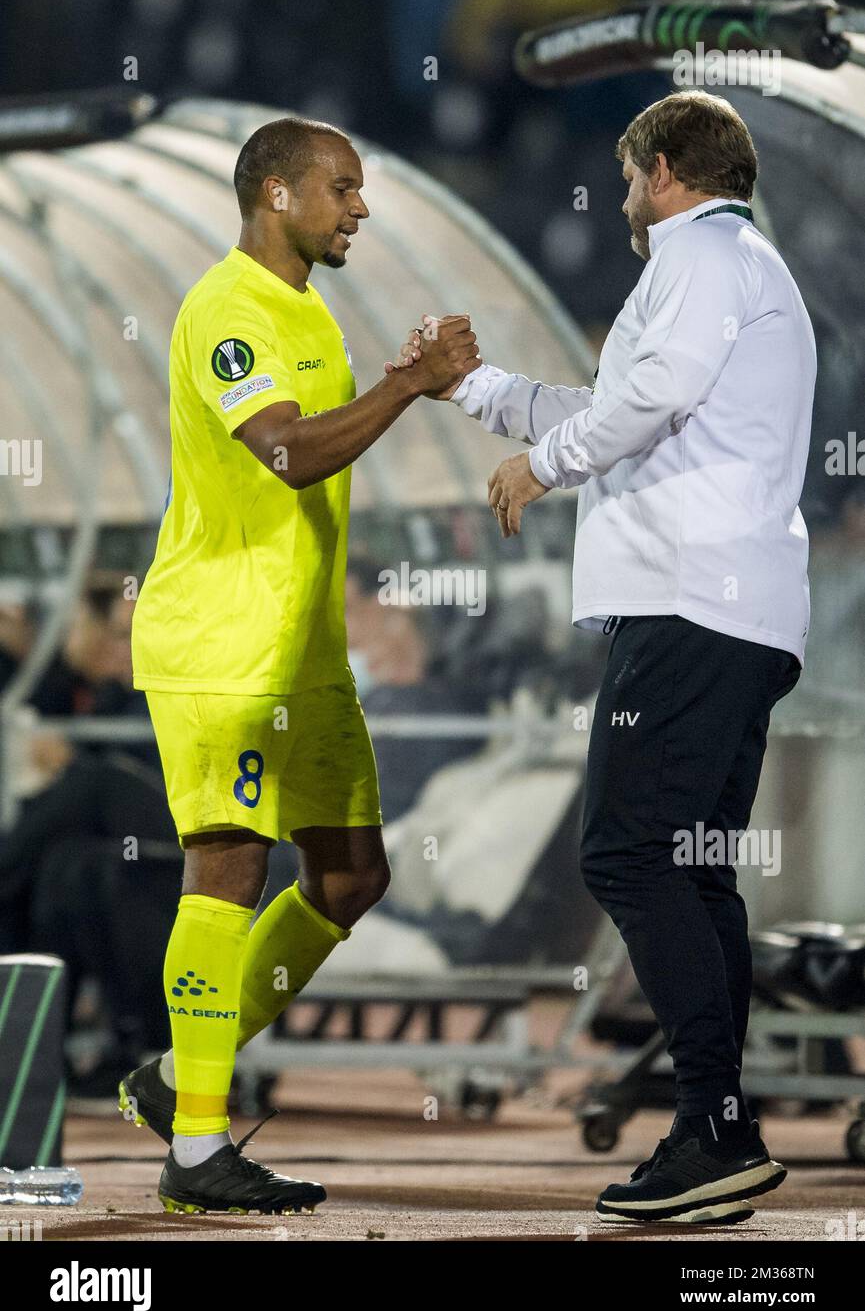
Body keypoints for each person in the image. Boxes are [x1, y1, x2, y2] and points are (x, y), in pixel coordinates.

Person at [391, 91, 815, 1225]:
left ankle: (712, 1125)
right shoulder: (734, 265)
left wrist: (542, 469)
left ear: (667, 168)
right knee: (687, 867)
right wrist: (473, 391)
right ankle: (718, 1128)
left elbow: (649, 400)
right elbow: (626, 403)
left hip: (690, 605)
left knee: (626, 855)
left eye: (630, 178)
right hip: (730, 610)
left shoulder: (701, 256)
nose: (623, 200)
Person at [124, 114, 480, 1216]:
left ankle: (182, 1071)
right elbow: (284, 452)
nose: (359, 207)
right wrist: (408, 386)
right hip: (222, 646)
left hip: (301, 656)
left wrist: (397, 385)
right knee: (226, 867)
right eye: (341, 188)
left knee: (349, 878)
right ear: (275, 195)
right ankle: (194, 1148)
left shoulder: (303, 311)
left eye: (361, 190)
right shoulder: (228, 308)